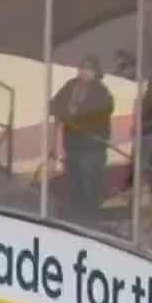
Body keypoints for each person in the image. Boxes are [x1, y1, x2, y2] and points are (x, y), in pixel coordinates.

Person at [50, 56, 116, 219]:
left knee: (90, 179)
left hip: (92, 145)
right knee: (74, 176)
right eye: (82, 68)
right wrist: (65, 112)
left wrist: (76, 115)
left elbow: (101, 113)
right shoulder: (71, 86)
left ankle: (91, 212)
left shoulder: (101, 91)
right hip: (72, 142)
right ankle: (76, 209)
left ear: (95, 72)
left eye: (89, 69)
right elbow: (54, 104)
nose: (84, 72)